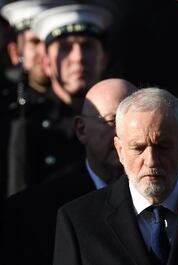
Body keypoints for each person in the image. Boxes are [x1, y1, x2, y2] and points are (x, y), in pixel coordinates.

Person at [52, 88, 178, 265]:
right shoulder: (80, 221)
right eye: (138, 148)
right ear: (120, 150)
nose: (151, 161)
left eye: (162, 147)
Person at [0, 78, 136, 265]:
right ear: (81, 129)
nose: (123, 135)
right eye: (112, 122)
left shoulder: (169, 200)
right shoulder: (35, 212)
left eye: (133, 124)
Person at [6, 3, 112, 195]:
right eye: (65, 48)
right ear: (46, 62)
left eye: (87, 46)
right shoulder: (28, 123)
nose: (78, 58)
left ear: (103, 59)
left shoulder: (126, 119)